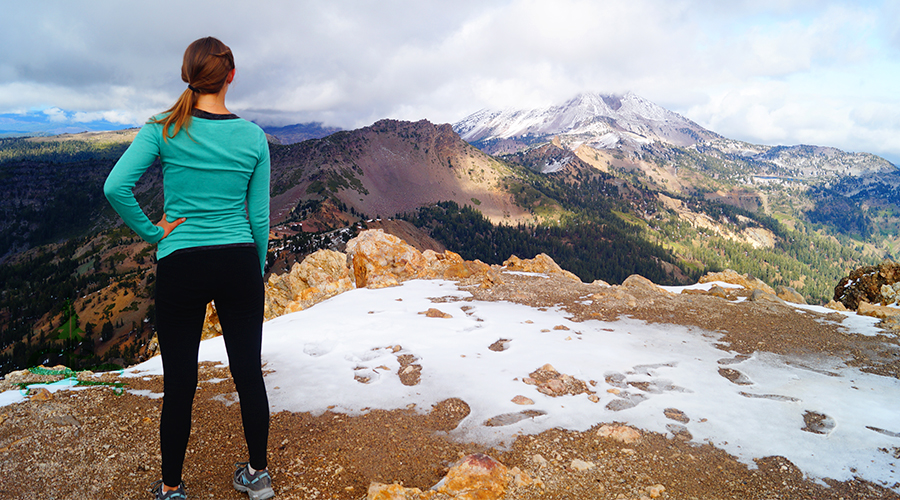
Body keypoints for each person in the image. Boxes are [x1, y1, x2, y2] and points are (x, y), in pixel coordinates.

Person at [104, 36, 274, 500]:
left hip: (181, 261)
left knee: (181, 382)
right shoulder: (253, 137)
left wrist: (155, 233)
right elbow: (258, 217)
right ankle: (258, 477)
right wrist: (254, 267)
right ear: (231, 76)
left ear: (188, 75)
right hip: (238, 258)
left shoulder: (163, 127)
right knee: (247, 373)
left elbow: (116, 186)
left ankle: (173, 488)